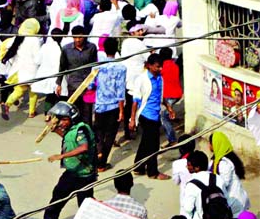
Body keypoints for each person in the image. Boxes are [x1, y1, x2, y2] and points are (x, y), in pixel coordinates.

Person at [35, 102, 97, 219]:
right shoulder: (72, 130)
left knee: (85, 203)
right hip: (72, 171)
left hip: (84, 174)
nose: (61, 123)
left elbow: (83, 147)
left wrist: (62, 156)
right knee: (58, 195)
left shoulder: (81, 129)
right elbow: (69, 138)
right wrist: (55, 129)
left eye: (64, 119)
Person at [130, 53, 174, 180]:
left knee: (145, 142)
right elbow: (135, 101)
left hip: (156, 114)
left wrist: (168, 107)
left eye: (161, 67)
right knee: (153, 145)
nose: (160, 69)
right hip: (146, 115)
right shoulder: (142, 79)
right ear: (149, 66)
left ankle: (138, 167)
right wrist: (132, 120)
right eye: (157, 67)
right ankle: (153, 172)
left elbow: (160, 95)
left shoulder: (160, 78)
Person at [93, 37, 126, 172]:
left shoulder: (97, 67)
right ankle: (102, 162)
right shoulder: (121, 68)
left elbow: (90, 84)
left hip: (100, 104)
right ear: (116, 49)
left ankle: (98, 154)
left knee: (99, 132)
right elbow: (120, 89)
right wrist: (121, 110)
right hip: (113, 106)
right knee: (110, 135)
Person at [55, 26, 98, 125]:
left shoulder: (91, 48)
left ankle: (87, 134)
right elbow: (62, 67)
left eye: (80, 37)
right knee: (73, 112)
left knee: (87, 114)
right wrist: (59, 84)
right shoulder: (66, 49)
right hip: (73, 86)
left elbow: (95, 66)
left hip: (87, 86)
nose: (77, 40)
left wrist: (94, 83)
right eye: (75, 37)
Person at [1, 18, 41, 119]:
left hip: (19, 69)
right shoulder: (35, 40)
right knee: (33, 91)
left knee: (19, 90)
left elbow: (8, 46)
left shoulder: (17, 38)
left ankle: (7, 104)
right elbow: (37, 58)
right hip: (32, 69)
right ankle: (32, 112)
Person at [209, 132, 250, 218]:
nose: (209, 146)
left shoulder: (224, 163)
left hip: (234, 202)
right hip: (235, 201)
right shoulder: (220, 160)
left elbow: (223, 184)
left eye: (210, 144)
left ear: (216, 144)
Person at [31, 29, 65, 120]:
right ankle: (55, 115)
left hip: (46, 74)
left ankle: (47, 115)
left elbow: (37, 60)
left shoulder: (45, 47)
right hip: (56, 76)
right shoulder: (61, 48)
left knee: (49, 96)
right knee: (56, 95)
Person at [159, 46, 182, 147]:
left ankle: (172, 139)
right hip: (177, 94)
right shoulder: (175, 66)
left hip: (168, 96)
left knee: (164, 117)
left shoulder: (162, 68)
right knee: (166, 114)